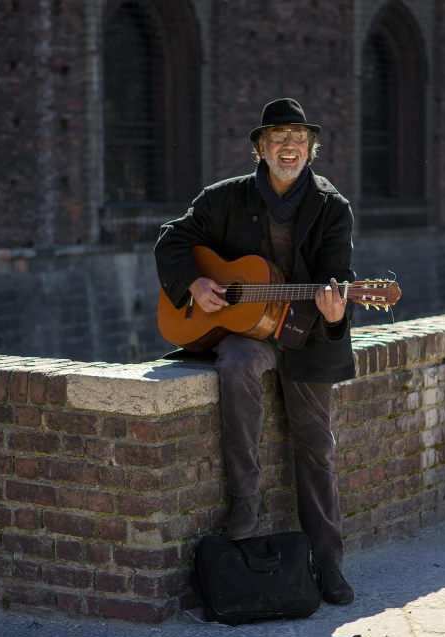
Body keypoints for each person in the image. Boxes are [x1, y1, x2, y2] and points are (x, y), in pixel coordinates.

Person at [155, 98, 356, 605]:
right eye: (277, 139)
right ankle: (246, 501)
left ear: (311, 150)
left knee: (316, 446)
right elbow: (171, 240)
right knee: (237, 362)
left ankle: (329, 564)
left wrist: (337, 312)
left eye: (298, 139)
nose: (288, 147)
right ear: (260, 150)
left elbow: (339, 280)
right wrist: (196, 283)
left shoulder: (333, 208)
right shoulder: (224, 198)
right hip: (250, 333)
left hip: (306, 335)